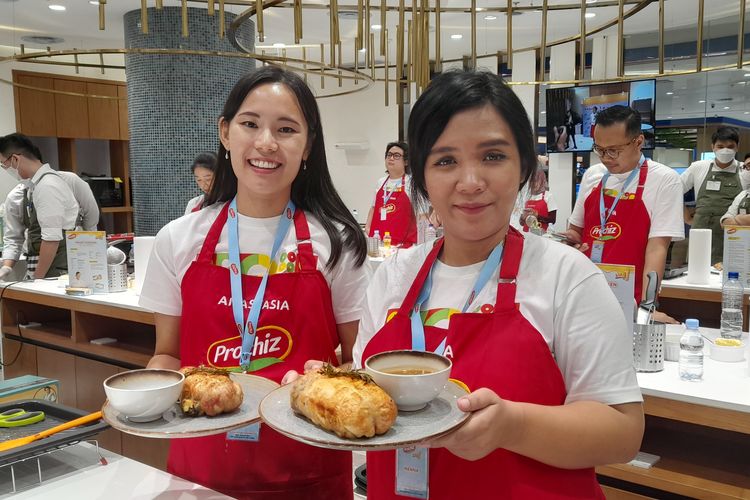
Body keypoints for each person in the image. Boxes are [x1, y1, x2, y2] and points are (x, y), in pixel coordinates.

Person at [345, 70, 643, 499]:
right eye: (445, 160)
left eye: (492, 156)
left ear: (523, 165)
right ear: (423, 177)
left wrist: (514, 426)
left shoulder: (567, 276)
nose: (470, 182)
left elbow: (622, 433)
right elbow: (368, 392)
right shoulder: (394, 275)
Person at [139, 66, 368, 499]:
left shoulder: (337, 244)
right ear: (225, 133)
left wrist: (325, 380)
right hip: (200, 469)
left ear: (308, 146)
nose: (266, 143)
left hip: (307, 466)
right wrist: (148, 394)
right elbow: (166, 355)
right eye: (250, 124)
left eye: (286, 129)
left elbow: (357, 364)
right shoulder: (179, 238)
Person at [566, 105, 684, 306]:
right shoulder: (592, 176)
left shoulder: (664, 179)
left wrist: (648, 307)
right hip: (584, 293)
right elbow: (576, 231)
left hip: (630, 300)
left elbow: (657, 249)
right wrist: (568, 243)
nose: (605, 158)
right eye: (599, 150)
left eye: (613, 151)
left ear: (638, 141)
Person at [0, 133, 79, 279]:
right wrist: (6, 267)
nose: (5, 169)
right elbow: (14, 236)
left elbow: (51, 239)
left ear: (15, 159)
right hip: (42, 264)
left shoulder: (48, 186)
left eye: (4, 164)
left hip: (57, 269)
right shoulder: (32, 187)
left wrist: (37, 278)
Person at [681, 126, 746, 265]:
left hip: (732, 233)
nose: (725, 150)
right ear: (713, 147)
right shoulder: (698, 167)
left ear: (737, 147)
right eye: (720, 146)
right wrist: (685, 216)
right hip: (700, 229)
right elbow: (674, 191)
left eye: (730, 146)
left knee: (729, 271)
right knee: (697, 269)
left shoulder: (744, 170)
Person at [365, 141, 418, 247]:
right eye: (389, 155)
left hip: (403, 246)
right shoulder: (380, 182)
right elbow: (373, 207)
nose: (391, 158)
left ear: (406, 162)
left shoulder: (412, 183)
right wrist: (367, 228)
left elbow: (421, 215)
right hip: (378, 243)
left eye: (396, 155)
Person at [520, 168, 557, 233]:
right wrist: (522, 218)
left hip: (543, 234)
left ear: (542, 181)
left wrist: (537, 216)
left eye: (537, 181)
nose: (534, 184)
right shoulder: (526, 196)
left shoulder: (548, 196)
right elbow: (521, 223)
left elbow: (553, 220)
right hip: (527, 234)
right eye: (532, 181)